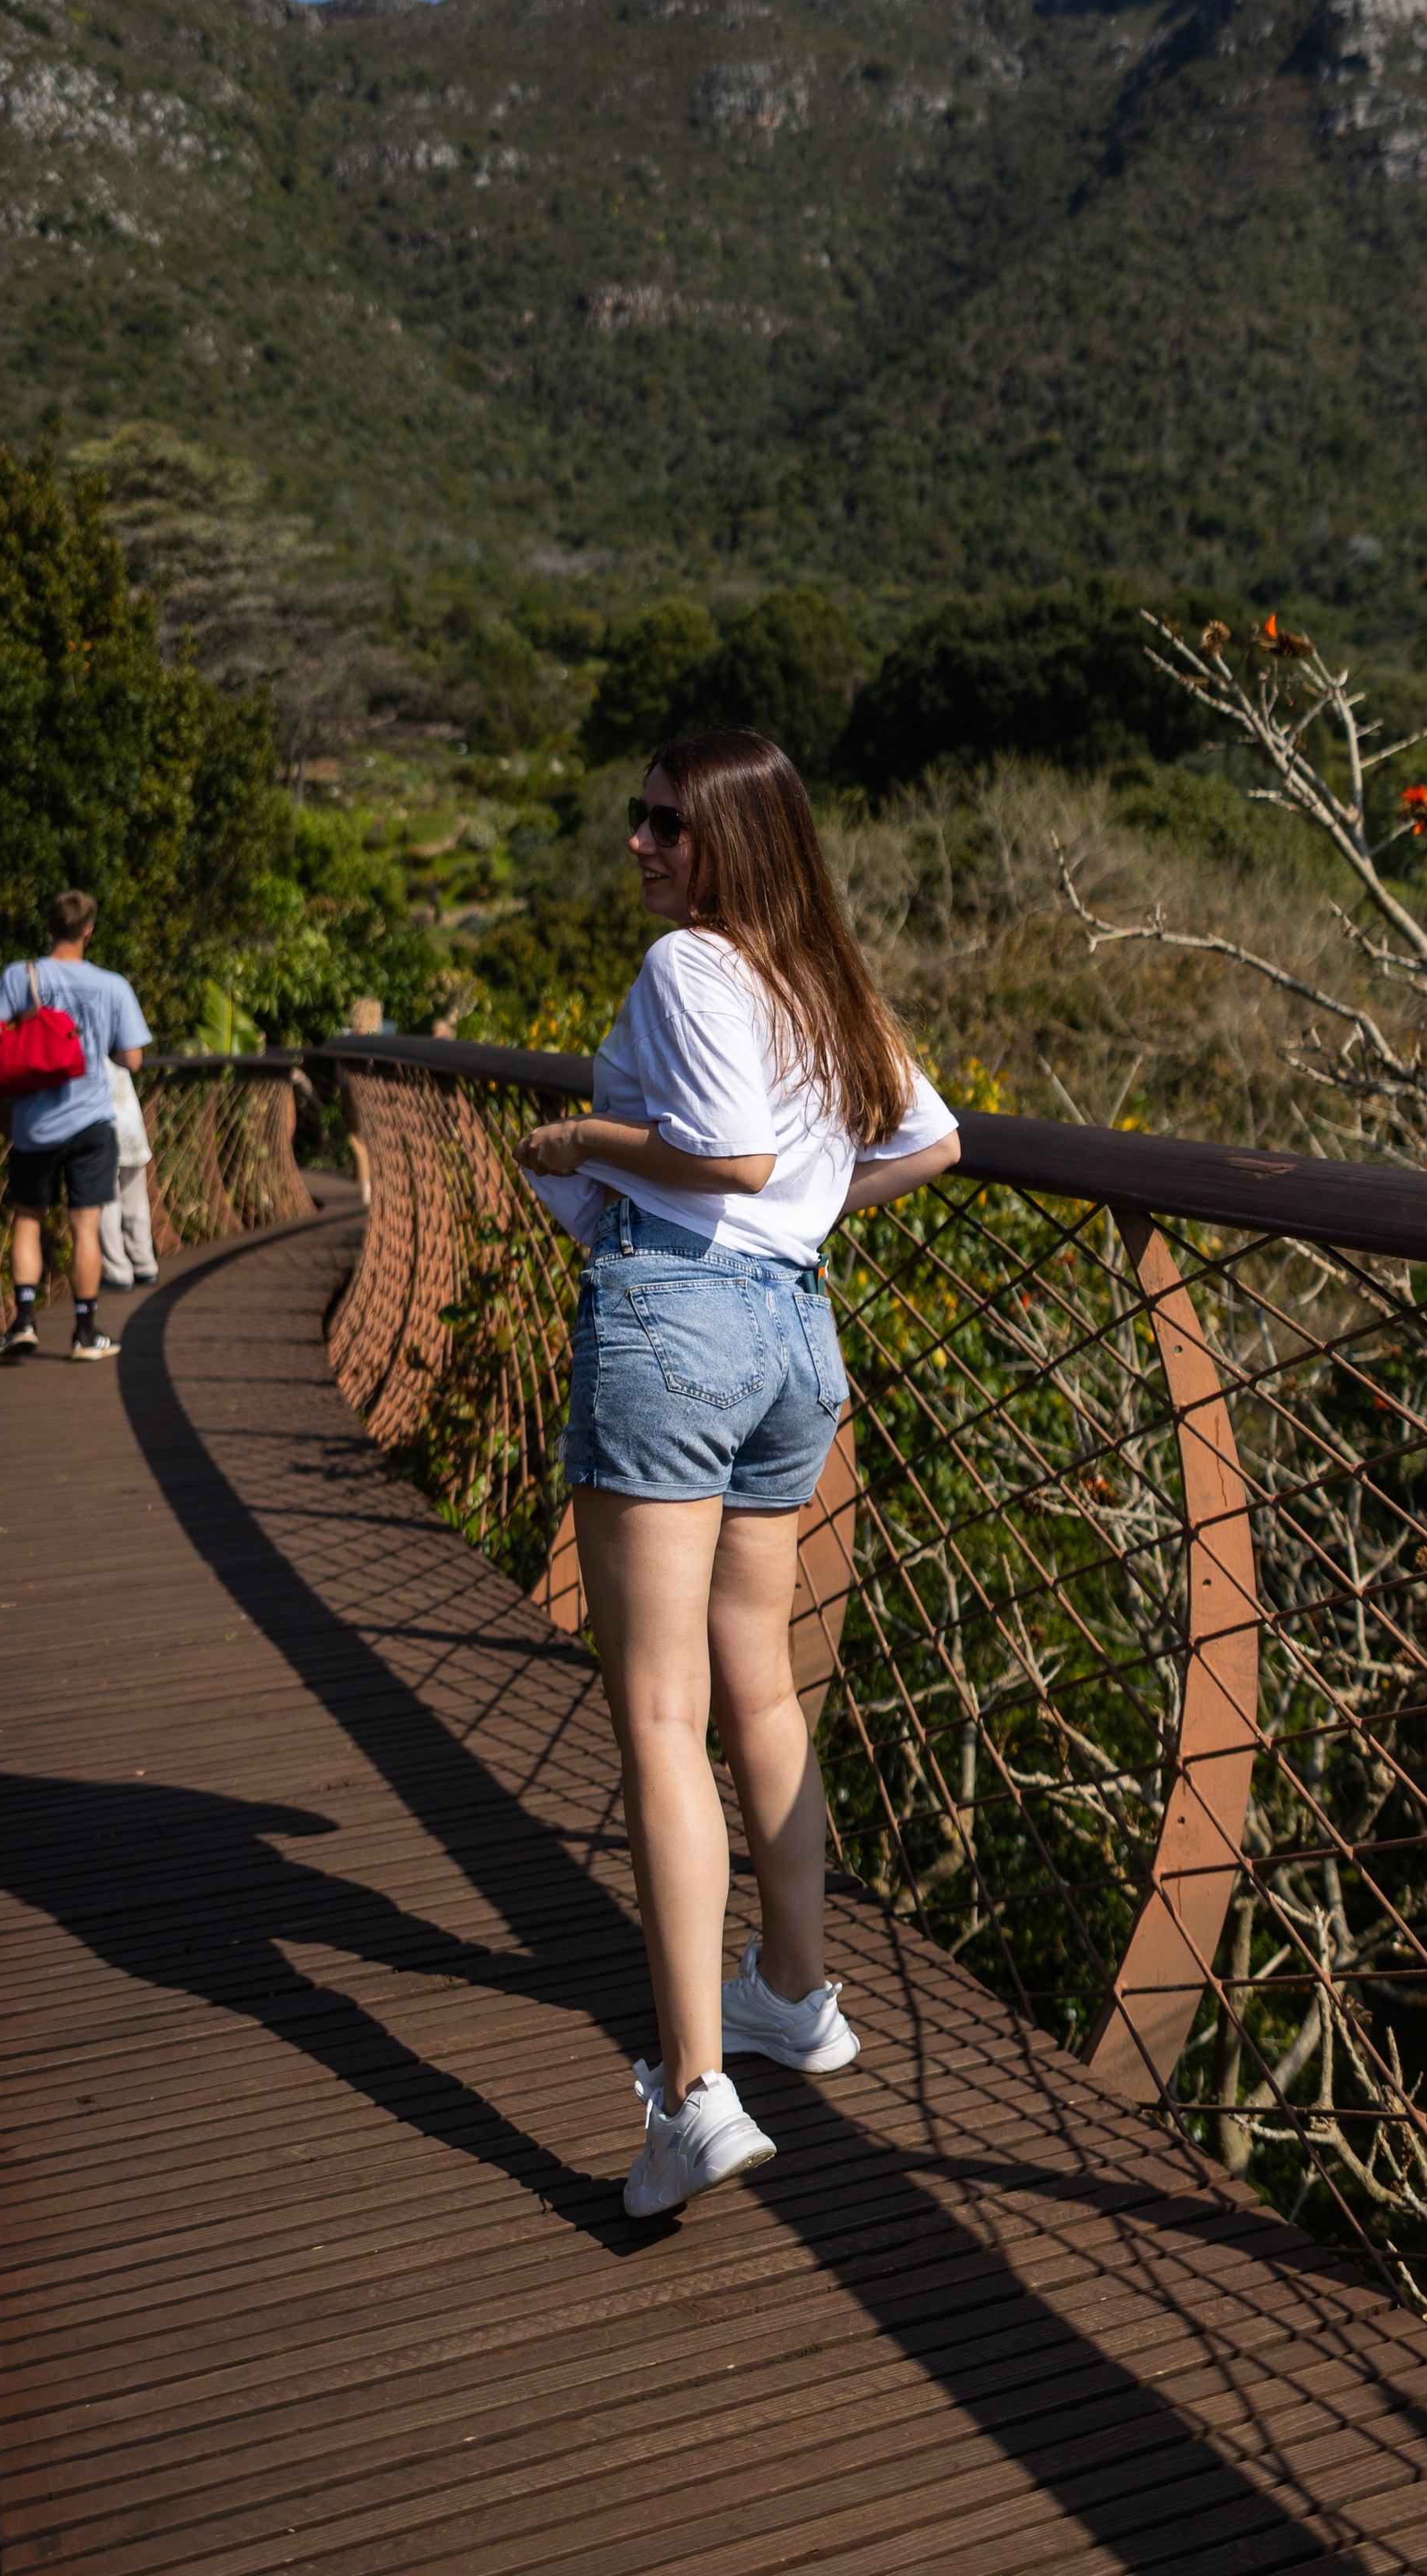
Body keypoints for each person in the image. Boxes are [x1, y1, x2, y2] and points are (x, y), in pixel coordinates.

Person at [516, 728, 960, 2216]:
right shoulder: (819, 976)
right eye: (641, 819)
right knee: (758, 1685)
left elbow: (730, 1156)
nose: (642, 844)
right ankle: (796, 1994)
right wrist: (812, 1212)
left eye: (670, 824)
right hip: (793, 1337)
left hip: (678, 1322)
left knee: (661, 1712)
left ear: (735, 840)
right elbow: (933, 1142)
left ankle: (694, 2096)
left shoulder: (690, 967)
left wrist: (578, 1138)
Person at [0, 890, 151, 1362]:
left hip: (33, 1121)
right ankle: (85, 1333)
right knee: (85, 1227)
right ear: (88, 930)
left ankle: (24, 1321)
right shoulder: (112, 985)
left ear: (49, 925)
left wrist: (1, 1101)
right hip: (92, 1121)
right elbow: (132, 1059)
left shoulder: (20, 976)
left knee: (28, 1219)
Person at [98, 1062, 159, 1290]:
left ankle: (118, 1271)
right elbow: (133, 1059)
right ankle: (144, 1263)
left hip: (103, 1125)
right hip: (130, 1123)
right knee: (135, 1199)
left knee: (107, 1202)